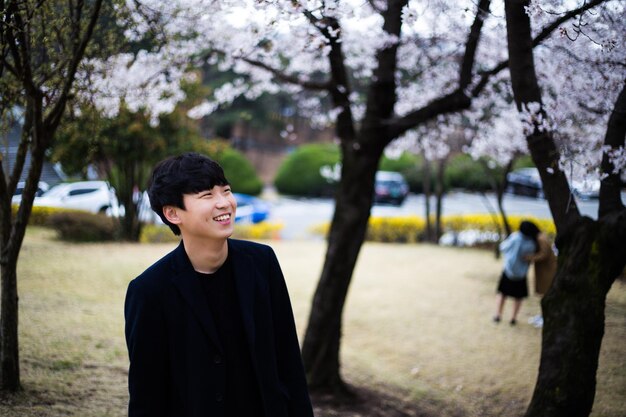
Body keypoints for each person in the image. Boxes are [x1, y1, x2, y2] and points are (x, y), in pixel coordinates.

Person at [124, 152, 314, 417]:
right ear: (172, 213)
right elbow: (147, 397)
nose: (224, 203)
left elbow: (289, 362)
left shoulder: (262, 263)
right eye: (207, 196)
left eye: (225, 191)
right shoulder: (149, 290)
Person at [493, 220, 540, 325]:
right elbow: (531, 257)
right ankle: (513, 318)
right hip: (521, 274)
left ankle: (497, 315)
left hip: (508, 270)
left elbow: (503, 247)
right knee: (518, 296)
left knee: (502, 293)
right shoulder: (532, 242)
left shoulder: (515, 237)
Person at [525, 230, 558, 328]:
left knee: (547, 296)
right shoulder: (542, 237)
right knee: (546, 296)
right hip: (547, 271)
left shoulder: (540, 239)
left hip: (548, 271)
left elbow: (544, 254)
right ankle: (543, 316)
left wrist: (530, 257)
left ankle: (546, 317)